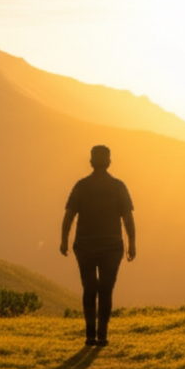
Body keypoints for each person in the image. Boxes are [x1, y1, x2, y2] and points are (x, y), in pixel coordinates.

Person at [60, 145, 136, 347]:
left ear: (91, 161)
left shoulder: (81, 186)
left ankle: (90, 336)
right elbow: (128, 219)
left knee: (89, 289)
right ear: (109, 162)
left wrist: (64, 240)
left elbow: (69, 216)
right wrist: (132, 244)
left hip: (85, 246)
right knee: (105, 290)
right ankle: (102, 336)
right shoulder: (118, 187)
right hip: (111, 247)